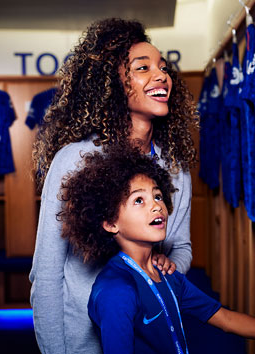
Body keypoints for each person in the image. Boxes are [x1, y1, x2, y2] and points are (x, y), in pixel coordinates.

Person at [29, 18, 198, 353]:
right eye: (143, 67)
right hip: (82, 343)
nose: (161, 75)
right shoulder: (73, 161)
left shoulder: (175, 169)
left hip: (152, 340)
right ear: (113, 83)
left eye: (163, 67)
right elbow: (46, 275)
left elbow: (181, 247)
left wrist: (172, 264)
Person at [58, 144, 255, 353]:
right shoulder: (117, 291)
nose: (156, 206)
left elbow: (224, 318)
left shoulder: (164, 273)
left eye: (157, 196)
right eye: (139, 200)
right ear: (111, 223)